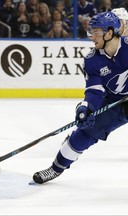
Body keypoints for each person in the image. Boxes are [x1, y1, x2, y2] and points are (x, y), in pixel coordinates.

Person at [32, 11, 128, 184]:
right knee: (83, 134)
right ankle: (55, 168)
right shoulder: (92, 60)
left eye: (96, 32)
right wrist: (86, 107)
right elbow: (94, 90)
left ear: (110, 32)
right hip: (113, 102)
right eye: (91, 32)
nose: (92, 37)